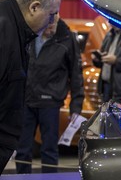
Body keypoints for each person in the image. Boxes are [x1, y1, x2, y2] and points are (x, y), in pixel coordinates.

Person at [0, 0, 62, 175]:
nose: (52, 22)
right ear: (34, 7)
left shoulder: (14, 28)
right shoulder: (4, 31)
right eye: (51, 14)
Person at [15, 13, 84, 173]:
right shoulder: (29, 35)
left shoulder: (67, 38)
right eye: (47, 24)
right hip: (27, 100)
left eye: (53, 24)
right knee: (22, 149)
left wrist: (76, 107)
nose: (50, 27)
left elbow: (76, 75)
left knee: (49, 151)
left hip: (50, 103)